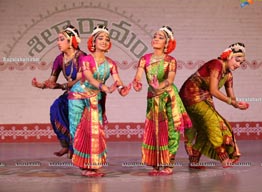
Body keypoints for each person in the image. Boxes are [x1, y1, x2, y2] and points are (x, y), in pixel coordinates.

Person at [68, 25, 131, 177]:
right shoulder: (86, 59)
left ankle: (93, 164)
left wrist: (122, 88)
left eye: (107, 39)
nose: (104, 41)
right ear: (93, 42)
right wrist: (104, 87)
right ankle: (84, 165)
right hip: (78, 97)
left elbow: (117, 80)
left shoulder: (111, 63)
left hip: (95, 98)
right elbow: (89, 77)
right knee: (78, 131)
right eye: (100, 38)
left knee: (95, 131)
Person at [132, 26, 192, 176]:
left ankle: (169, 164)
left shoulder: (171, 61)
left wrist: (160, 85)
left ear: (167, 42)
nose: (156, 39)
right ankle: (156, 163)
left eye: (160, 37)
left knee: (171, 130)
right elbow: (138, 76)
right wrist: (137, 83)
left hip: (169, 98)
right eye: (154, 36)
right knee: (155, 131)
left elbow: (170, 80)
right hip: (153, 99)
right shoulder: (144, 59)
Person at [179, 42, 249, 168]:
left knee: (204, 129)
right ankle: (224, 158)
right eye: (237, 60)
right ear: (229, 55)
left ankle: (194, 161)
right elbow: (213, 90)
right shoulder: (216, 64)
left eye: (241, 63)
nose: (238, 65)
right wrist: (231, 101)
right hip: (190, 95)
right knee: (214, 123)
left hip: (204, 98)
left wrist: (237, 104)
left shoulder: (228, 75)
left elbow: (231, 97)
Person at [32, 25, 86, 158]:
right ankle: (66, 145)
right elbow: (52, 81)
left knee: (76, 117)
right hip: (69, 93)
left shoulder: (82, 57)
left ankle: (77, 149)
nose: (58, 42)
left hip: (83, 94)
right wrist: (42, 85)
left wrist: (63, 86)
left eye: (61, 39)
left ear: (71, 41)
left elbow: (82, 79)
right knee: (56, 108)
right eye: (58, 39)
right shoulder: (59, 59)